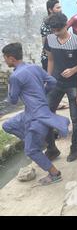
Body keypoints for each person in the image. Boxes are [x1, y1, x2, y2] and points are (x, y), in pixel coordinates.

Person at [2, 43, 70, 185]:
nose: (4, 61)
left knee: (31, 151)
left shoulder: (15, 76)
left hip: (36, 116)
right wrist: (42, 93)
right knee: (8, 124)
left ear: (11, 58)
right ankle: (34, 141)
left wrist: (10, 88)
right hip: (34, 111)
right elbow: (52, 81)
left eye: (5, 58)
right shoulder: (34, 67)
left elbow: (13, 101)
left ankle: (55, 174)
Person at [44, 13, 77, 162]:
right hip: (55, 83)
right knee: (46, 114)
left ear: (66, 25)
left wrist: (74, 70)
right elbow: (51, 59)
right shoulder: (49, 40)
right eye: (53, 29)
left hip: (73, 84)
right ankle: (51, 147)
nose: (56, 32)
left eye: (58, 29)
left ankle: (74, 147)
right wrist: (48, 79)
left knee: (75, 117)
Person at [40, 0, 62, 71]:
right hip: (49, 57)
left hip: (60, 56)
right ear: (50, 10)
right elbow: (45, 44)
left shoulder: (62, 21)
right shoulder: (46, 24)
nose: (60, 10)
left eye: (60, 7)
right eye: (57, 8)